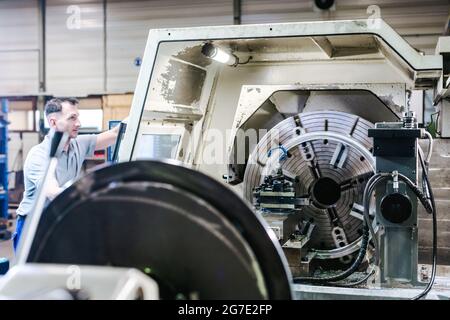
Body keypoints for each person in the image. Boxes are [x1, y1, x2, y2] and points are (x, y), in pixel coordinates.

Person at [13, 97, 124, 251]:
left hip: (57, 220)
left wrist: (142, 109)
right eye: (72, 118)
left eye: (77, 117)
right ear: (53, 122)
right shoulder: (39, 155)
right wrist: (94, 197)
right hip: (32, 226)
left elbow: (115, 133)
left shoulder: (78, 144)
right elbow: (52, 192)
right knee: (34, 273)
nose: (78, 123)